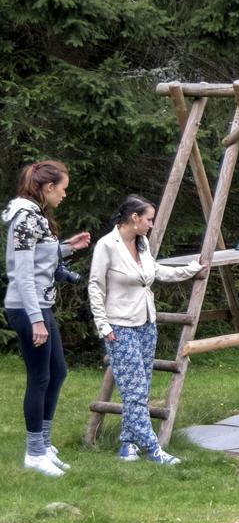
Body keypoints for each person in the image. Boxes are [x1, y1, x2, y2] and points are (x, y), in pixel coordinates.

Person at [87, 195, 207, 465]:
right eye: (148, 219)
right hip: (119, 325)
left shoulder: (141, 245)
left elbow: (156, 272)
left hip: (146, 323)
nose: (151, 225)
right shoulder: (107, 245)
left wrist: (191, 270)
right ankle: (153, 448)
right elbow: (95, 286)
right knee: (134, 390)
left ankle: (127, 443)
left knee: (141, 386)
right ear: (134, 218)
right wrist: (103, 325)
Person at [4, 161, 91, 476]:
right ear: (48, 187)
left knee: (58, 372)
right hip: (28, 307)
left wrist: (68, 247)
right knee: (40, 377)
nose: (65, 195)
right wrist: (36, 320)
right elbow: (23, 275)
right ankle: (34, 452)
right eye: (63, 188)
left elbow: (42, 257)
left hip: (40, 306)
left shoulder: (35, 217)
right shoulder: (25, 219)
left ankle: (43, 443)